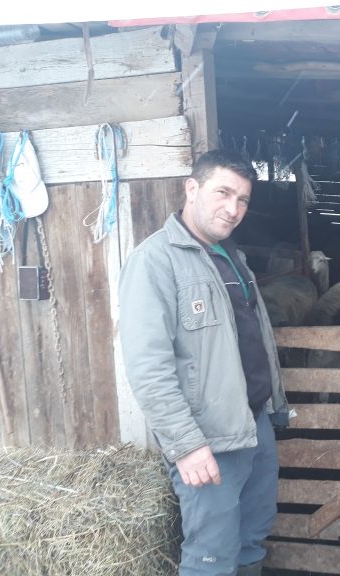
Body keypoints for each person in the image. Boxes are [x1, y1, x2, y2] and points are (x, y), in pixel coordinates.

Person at [118, 149, 290, 576]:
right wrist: (187, 446)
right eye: (223, 193)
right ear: (191, 188)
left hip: (254, 424)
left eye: (243, 200)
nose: (233, 209)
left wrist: (274, 410)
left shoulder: (232, 256)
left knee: (252, 538)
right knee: (211, 552)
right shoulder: (154, 261)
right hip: (208, 438)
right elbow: (148, 365)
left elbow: (253, 339)